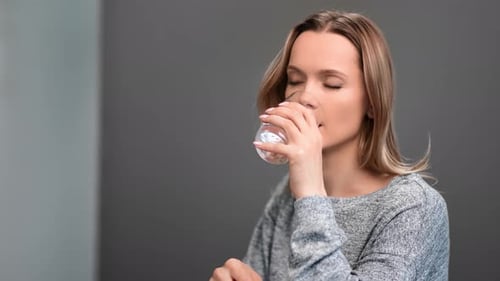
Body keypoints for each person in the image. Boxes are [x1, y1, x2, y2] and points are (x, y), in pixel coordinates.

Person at [209, 9, 449, 281]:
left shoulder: (414, 207)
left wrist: (311, 194)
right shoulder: (287, 196)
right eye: (295, 80)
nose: (305, 97)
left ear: (372, 102)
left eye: (332, 84)